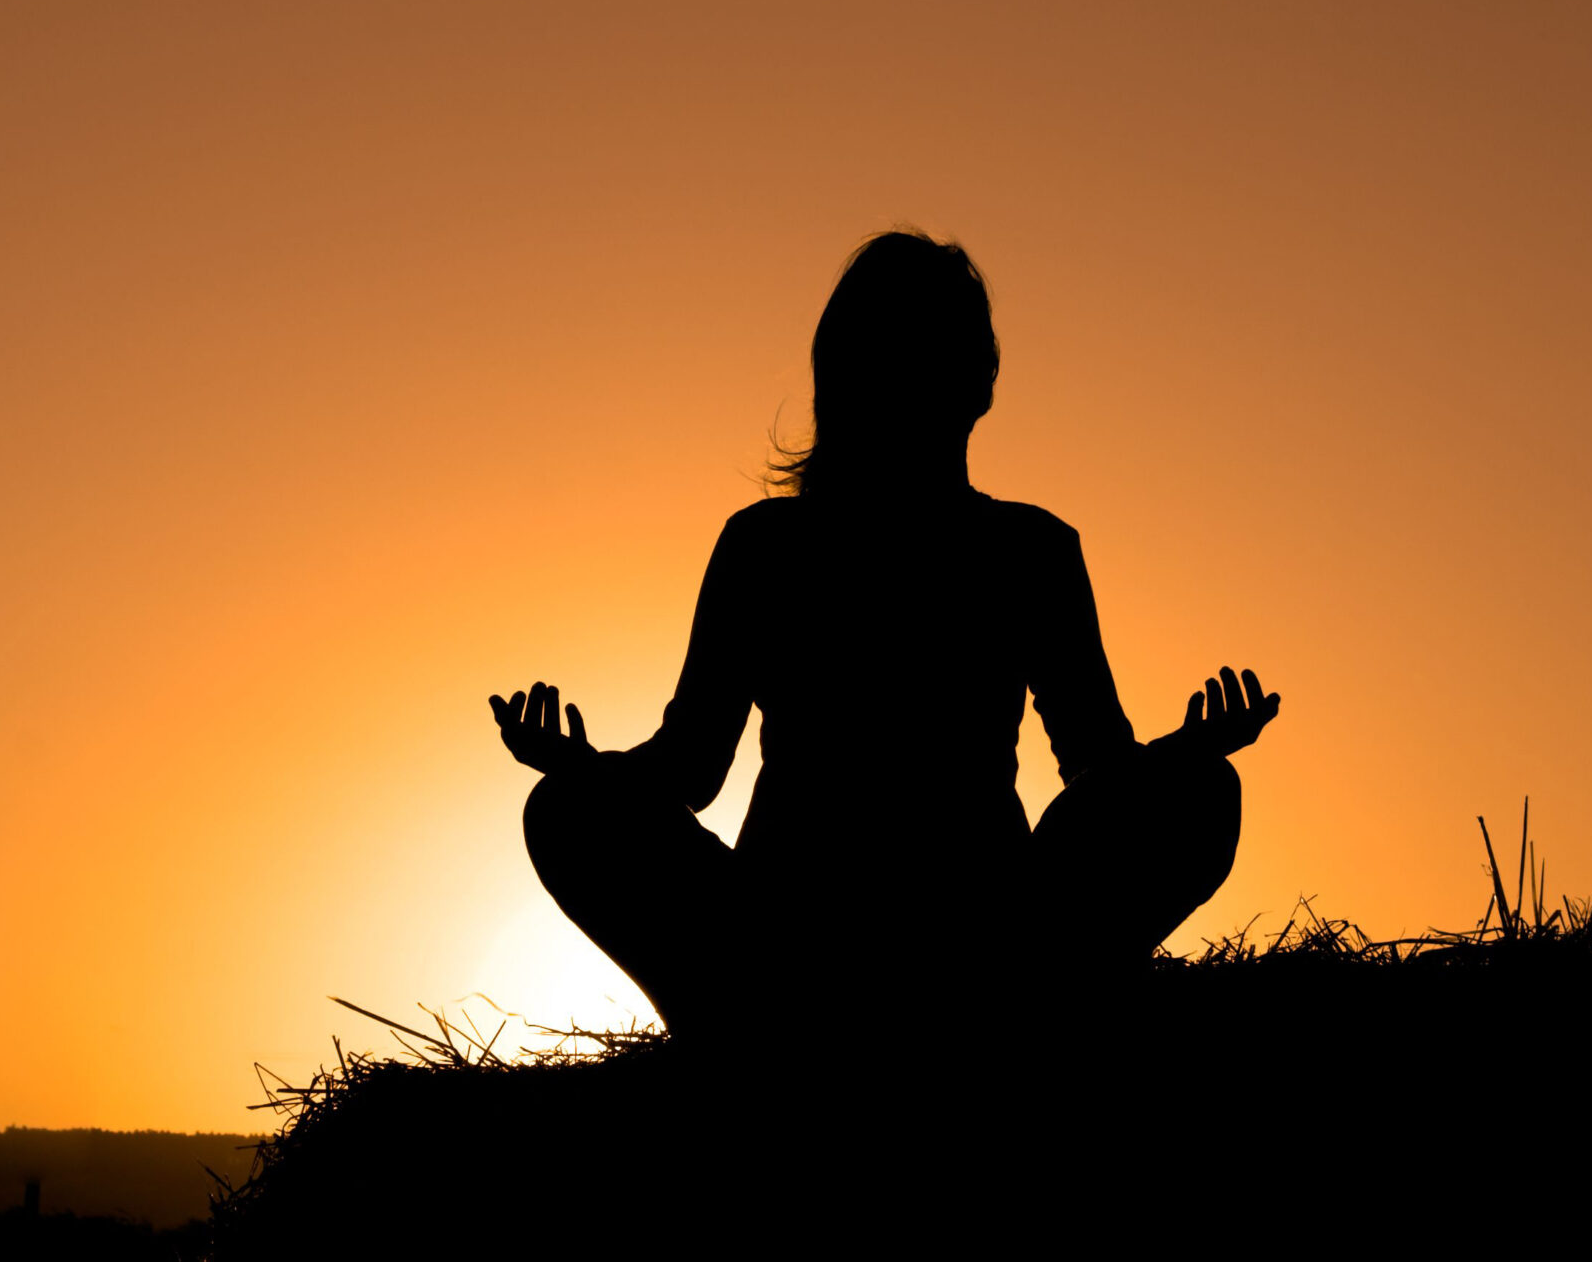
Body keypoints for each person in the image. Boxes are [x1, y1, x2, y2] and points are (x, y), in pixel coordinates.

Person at [486, 230, 1282, 1038]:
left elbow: (1098, 766)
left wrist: (1186, 755)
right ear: (980, 381)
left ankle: (767, 1033)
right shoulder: (771, 546)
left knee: (1203, 791)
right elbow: (687, 767)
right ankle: (781, 1026)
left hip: (977, 930)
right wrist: (583, 773)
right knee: (565, 811)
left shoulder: (1028, 549)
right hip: (793, 933)